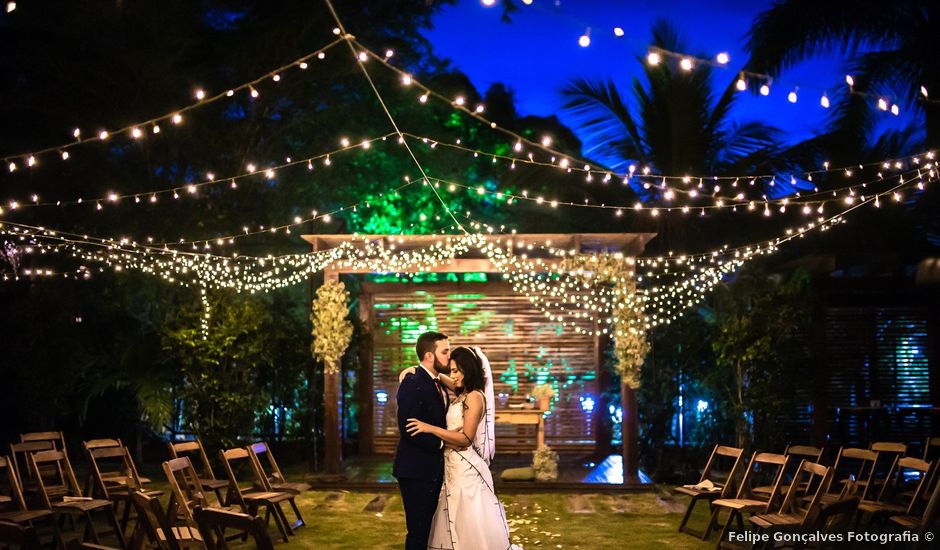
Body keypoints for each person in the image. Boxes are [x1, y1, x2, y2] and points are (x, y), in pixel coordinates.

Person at [403, 346, 521, 550]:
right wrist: (415, 369)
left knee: (468, 524)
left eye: (456, 370)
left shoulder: (474, 396)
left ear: (468, 370)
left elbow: (466, 438)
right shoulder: (461, 391)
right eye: (452, 370)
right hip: (451, 466)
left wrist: (430, 428)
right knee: (450, 523)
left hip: (466, 469)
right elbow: (438, 376)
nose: (453, 375)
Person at [394, 331, 451, 550]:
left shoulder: (437, 382)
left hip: (431, 469)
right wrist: (442, 443)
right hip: (415, 469)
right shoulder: (413, 382)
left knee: (428, 530)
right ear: (429, 356)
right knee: (418, 533)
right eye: (444, 351)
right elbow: (408, 427)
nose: (449, 356)